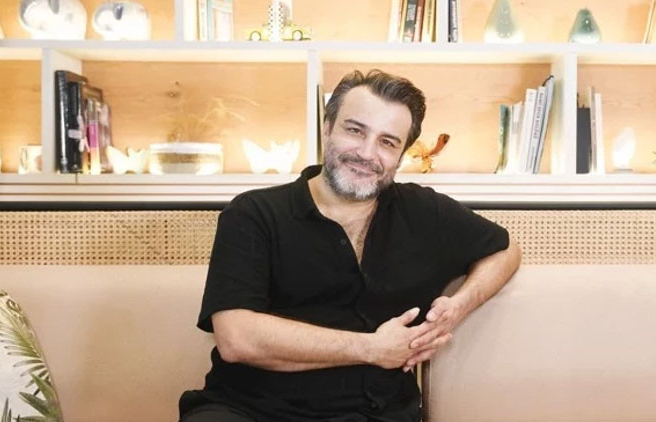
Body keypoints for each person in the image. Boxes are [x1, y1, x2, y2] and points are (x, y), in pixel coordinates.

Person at [178, 69, 522, 422]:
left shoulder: (425, 211)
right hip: (248, 410)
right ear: (327, 128)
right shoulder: (254, 213)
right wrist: (372, 348)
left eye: (388, 142)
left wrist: (458, 307)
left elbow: (505, 250)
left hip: (377, 414)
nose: (367, 153)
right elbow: (236, 338)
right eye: (355, 130)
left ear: (401, 155)